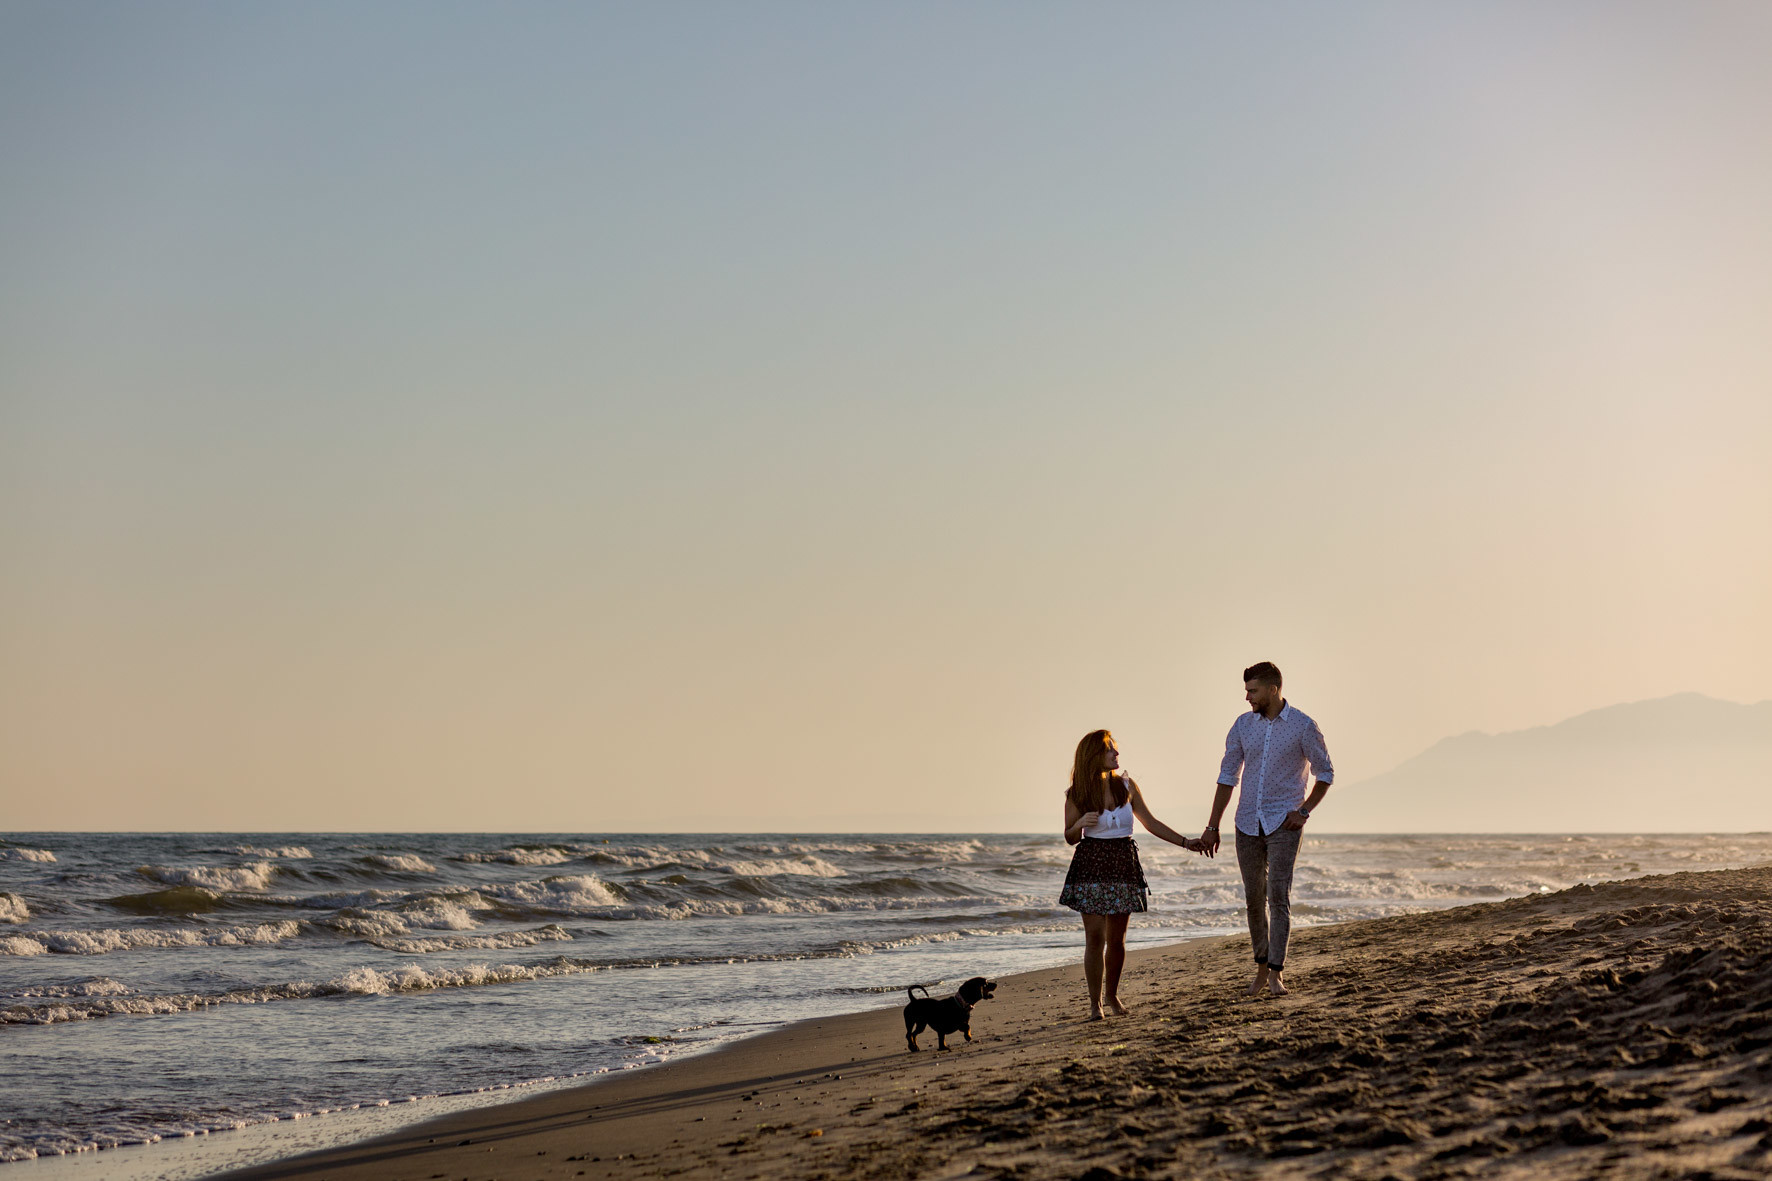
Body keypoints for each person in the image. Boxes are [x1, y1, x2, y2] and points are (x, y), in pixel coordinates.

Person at [1198, 662, 1335, 998]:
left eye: (1253, 691)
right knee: (1253, 899)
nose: (1247, 697)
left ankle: (1276, 973)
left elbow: (1325, 773)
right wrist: (1212, 825)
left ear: (1273, 689)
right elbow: (1227, 777)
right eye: (1246, 690)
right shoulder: (1242, 726)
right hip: (1246, 822)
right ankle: (1260, 969)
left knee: (1278, 897)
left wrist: (1304, 811)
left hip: (1284, 823)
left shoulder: (1303, 726)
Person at [1060, 729, 1203, 1020]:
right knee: (1094, 938)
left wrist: (1186, 843)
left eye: (1115, 749)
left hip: (1123, 862)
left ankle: (1112, 995)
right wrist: (1080, 824)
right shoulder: (1077, 793)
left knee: (1117, 939)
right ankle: (1095, 1004)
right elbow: (1069, 837)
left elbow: (1151, 822)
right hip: (1091, 864)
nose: (1116, 754)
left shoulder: (1127, 785)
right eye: (1110, 749)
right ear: (1094, 755)